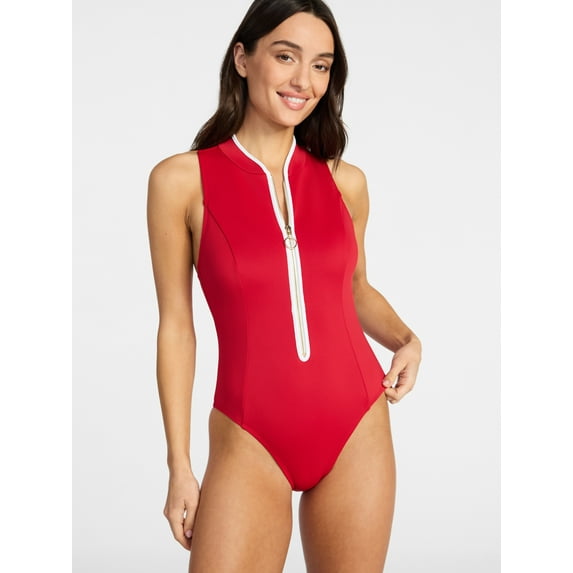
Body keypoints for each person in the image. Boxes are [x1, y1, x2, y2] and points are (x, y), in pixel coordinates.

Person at [147, 0, 422, 571]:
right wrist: (179, 465)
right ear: (242, 58)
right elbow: (176, 326)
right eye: (286, 56)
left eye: (321, 66)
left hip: (356, 425)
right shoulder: (181, 181)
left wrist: (405, 339)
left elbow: (355, 288)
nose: (304, 81)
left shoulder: (346, 182)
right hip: (249, 434)